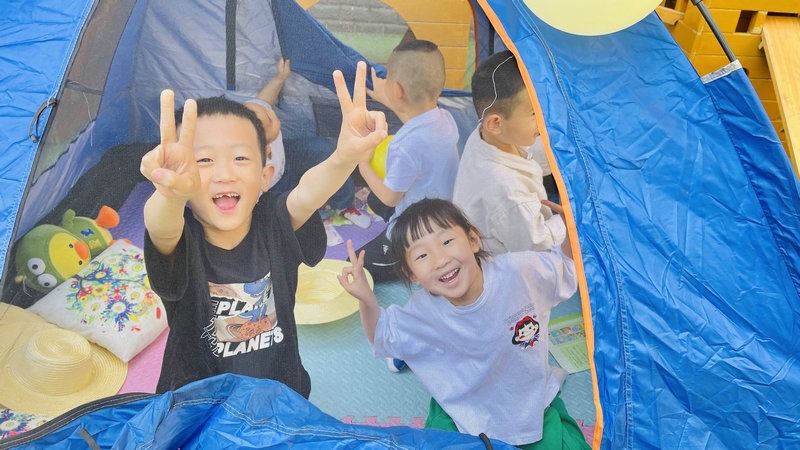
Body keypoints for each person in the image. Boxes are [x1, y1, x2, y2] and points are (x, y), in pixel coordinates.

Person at [140, 61, 387, 396]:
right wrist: (168, 193)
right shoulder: (181, 237)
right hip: (198, 404)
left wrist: (343, 158)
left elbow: (307, 194)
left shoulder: (274, 221)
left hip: (279, 392)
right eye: (203, 160)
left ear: (265, 176)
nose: (225, 173)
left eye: (240, 158)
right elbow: (161, 228)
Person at [337, 198, 590, 449]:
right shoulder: (422, 312)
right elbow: (382, 336)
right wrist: (367, 300)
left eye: (447, 242)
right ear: (412, 274)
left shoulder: (518, 272)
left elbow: (564, 267)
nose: (440, 260)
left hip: (530, 405)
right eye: (422, 255)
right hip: (464, 413)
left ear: (473, 240)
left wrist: (572, 226)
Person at [356, 39, 460, 281]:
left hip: (418, 230)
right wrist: (389, 99)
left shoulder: (404, 145)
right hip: (444, 212)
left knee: (359, 265)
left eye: (387, 79)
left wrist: (363, 164)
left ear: (397, 89)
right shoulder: (445, 118)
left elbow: (390, 198)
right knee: (373, 199)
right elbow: (416, 122)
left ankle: (411, 258)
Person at [453, 50, 565, 255]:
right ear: (495, 123)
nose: (544, 118)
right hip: (518, 263)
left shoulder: (487, 135)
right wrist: (568, 220)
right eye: (534, 113)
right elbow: (538, 246)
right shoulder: (508, 193)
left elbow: (533, 154)